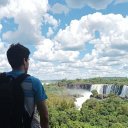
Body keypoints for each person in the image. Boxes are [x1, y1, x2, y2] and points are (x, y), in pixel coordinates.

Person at [6, 43, 49, 128]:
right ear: (24, 60)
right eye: (28, 60)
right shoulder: (34, 82)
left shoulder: (2, 79)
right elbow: (44, 117)